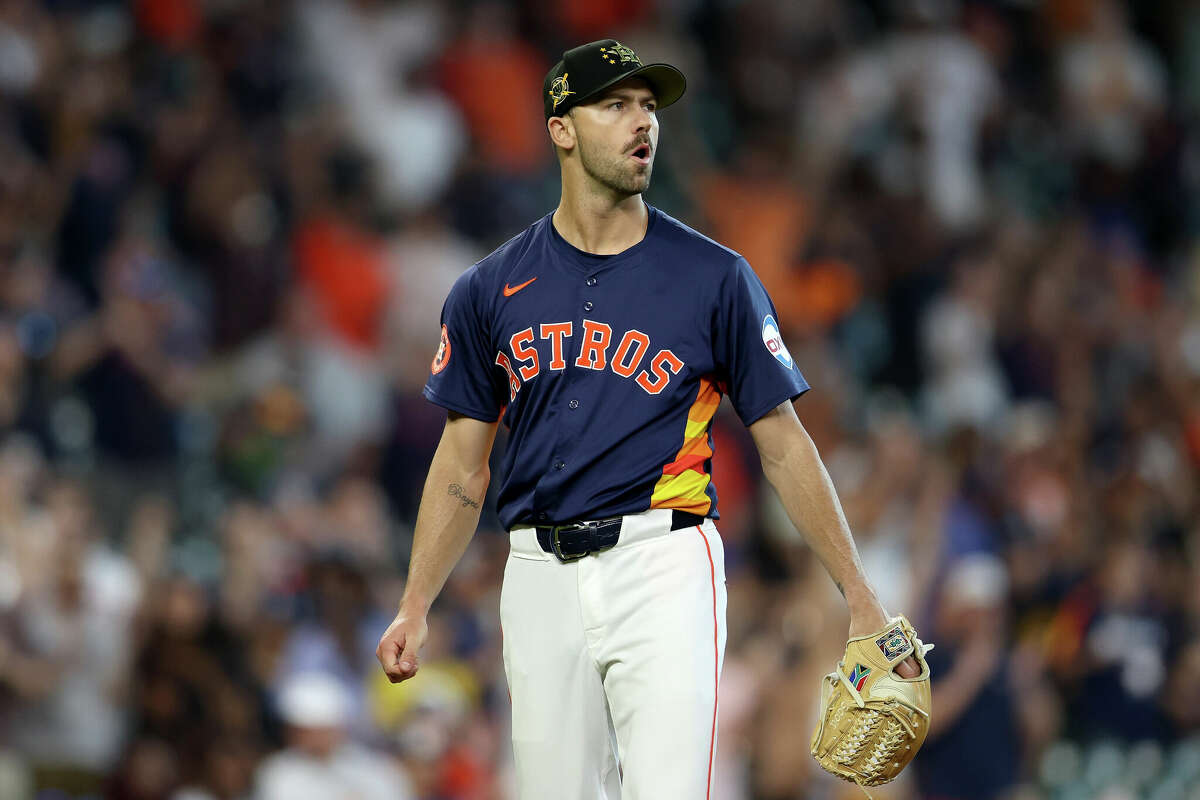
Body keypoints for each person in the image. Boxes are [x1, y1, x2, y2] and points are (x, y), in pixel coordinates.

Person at [376, 38, 919, 799]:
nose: (642, 123)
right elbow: (463, 466)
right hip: (536, 570)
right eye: (615, 104)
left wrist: (859, 594)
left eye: (648, 106)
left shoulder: (715, 277)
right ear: (561, 128)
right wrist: (415, 601)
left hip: (662, 562)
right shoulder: (487, 290)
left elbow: (787, 448)